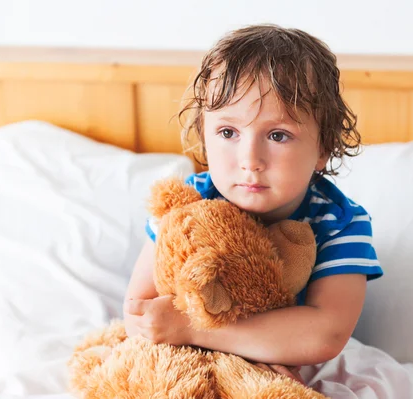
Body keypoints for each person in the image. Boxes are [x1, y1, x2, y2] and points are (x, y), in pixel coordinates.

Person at [123, 24, 383, 384]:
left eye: (278, 135)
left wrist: (195, 330)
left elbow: (325, 334)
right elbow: (140, 314)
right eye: (228, 133)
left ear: (322, 148)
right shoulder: (187, 207)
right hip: (189, 365)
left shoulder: (339, 222)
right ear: (204, 134)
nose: (250, 159)